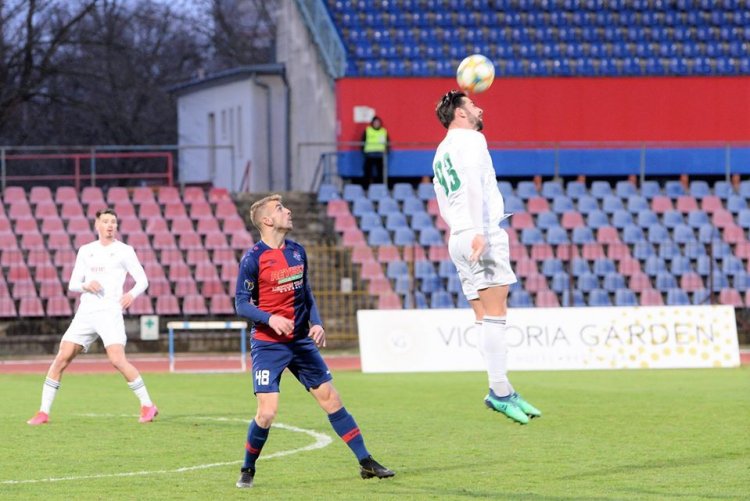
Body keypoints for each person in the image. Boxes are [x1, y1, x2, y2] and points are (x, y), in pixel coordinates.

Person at [233, 194, 394, 488]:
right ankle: (247, 468)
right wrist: (270, 318)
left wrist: (316, 322)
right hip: (269, 344)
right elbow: (241, 303)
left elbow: (305, 291)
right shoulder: (253, 258)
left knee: (331, 399)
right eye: (280, 209)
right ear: (267, 220)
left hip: (300, 342)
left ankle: (366, 462)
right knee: (266, 413)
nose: (288, 211)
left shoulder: (298, 251)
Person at [432, 90, 542, 425]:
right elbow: (474, 186)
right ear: (460, 114)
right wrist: (480, 231)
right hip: (480, 234)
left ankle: (503, 387)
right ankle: (499, 392)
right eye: (472, 105)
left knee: (482, 315)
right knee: (496, 314)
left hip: (458, 236)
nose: (480, 109)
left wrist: (462, 230)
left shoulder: (441, 151)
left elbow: (442, 197)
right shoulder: (472, 140)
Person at [27, 207, 157, 426]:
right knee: (62, 357)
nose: (110, 225)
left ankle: (147, 405)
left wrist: (131, 294)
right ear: (97, 224)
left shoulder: (124, 251)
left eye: (113, 222)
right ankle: (43, 412)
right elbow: (73, 284)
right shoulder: (86, 250)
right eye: (105, 221)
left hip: (109, 312)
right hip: (86, 313)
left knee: (117, 360)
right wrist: (86, 285)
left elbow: (142, 280)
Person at [361, 115, 388, 189]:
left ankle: (380, 187)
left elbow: (387, 142)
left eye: (378, 122)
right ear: (372, 123)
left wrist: (387, 150)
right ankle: (366, 188)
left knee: (380, 172)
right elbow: (363, 141)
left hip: (380, 154)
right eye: (375, 122)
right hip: (369, 154)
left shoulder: (383, 131)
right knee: (367, 172)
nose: (376, 124)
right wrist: (363, 151)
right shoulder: (368, 130)